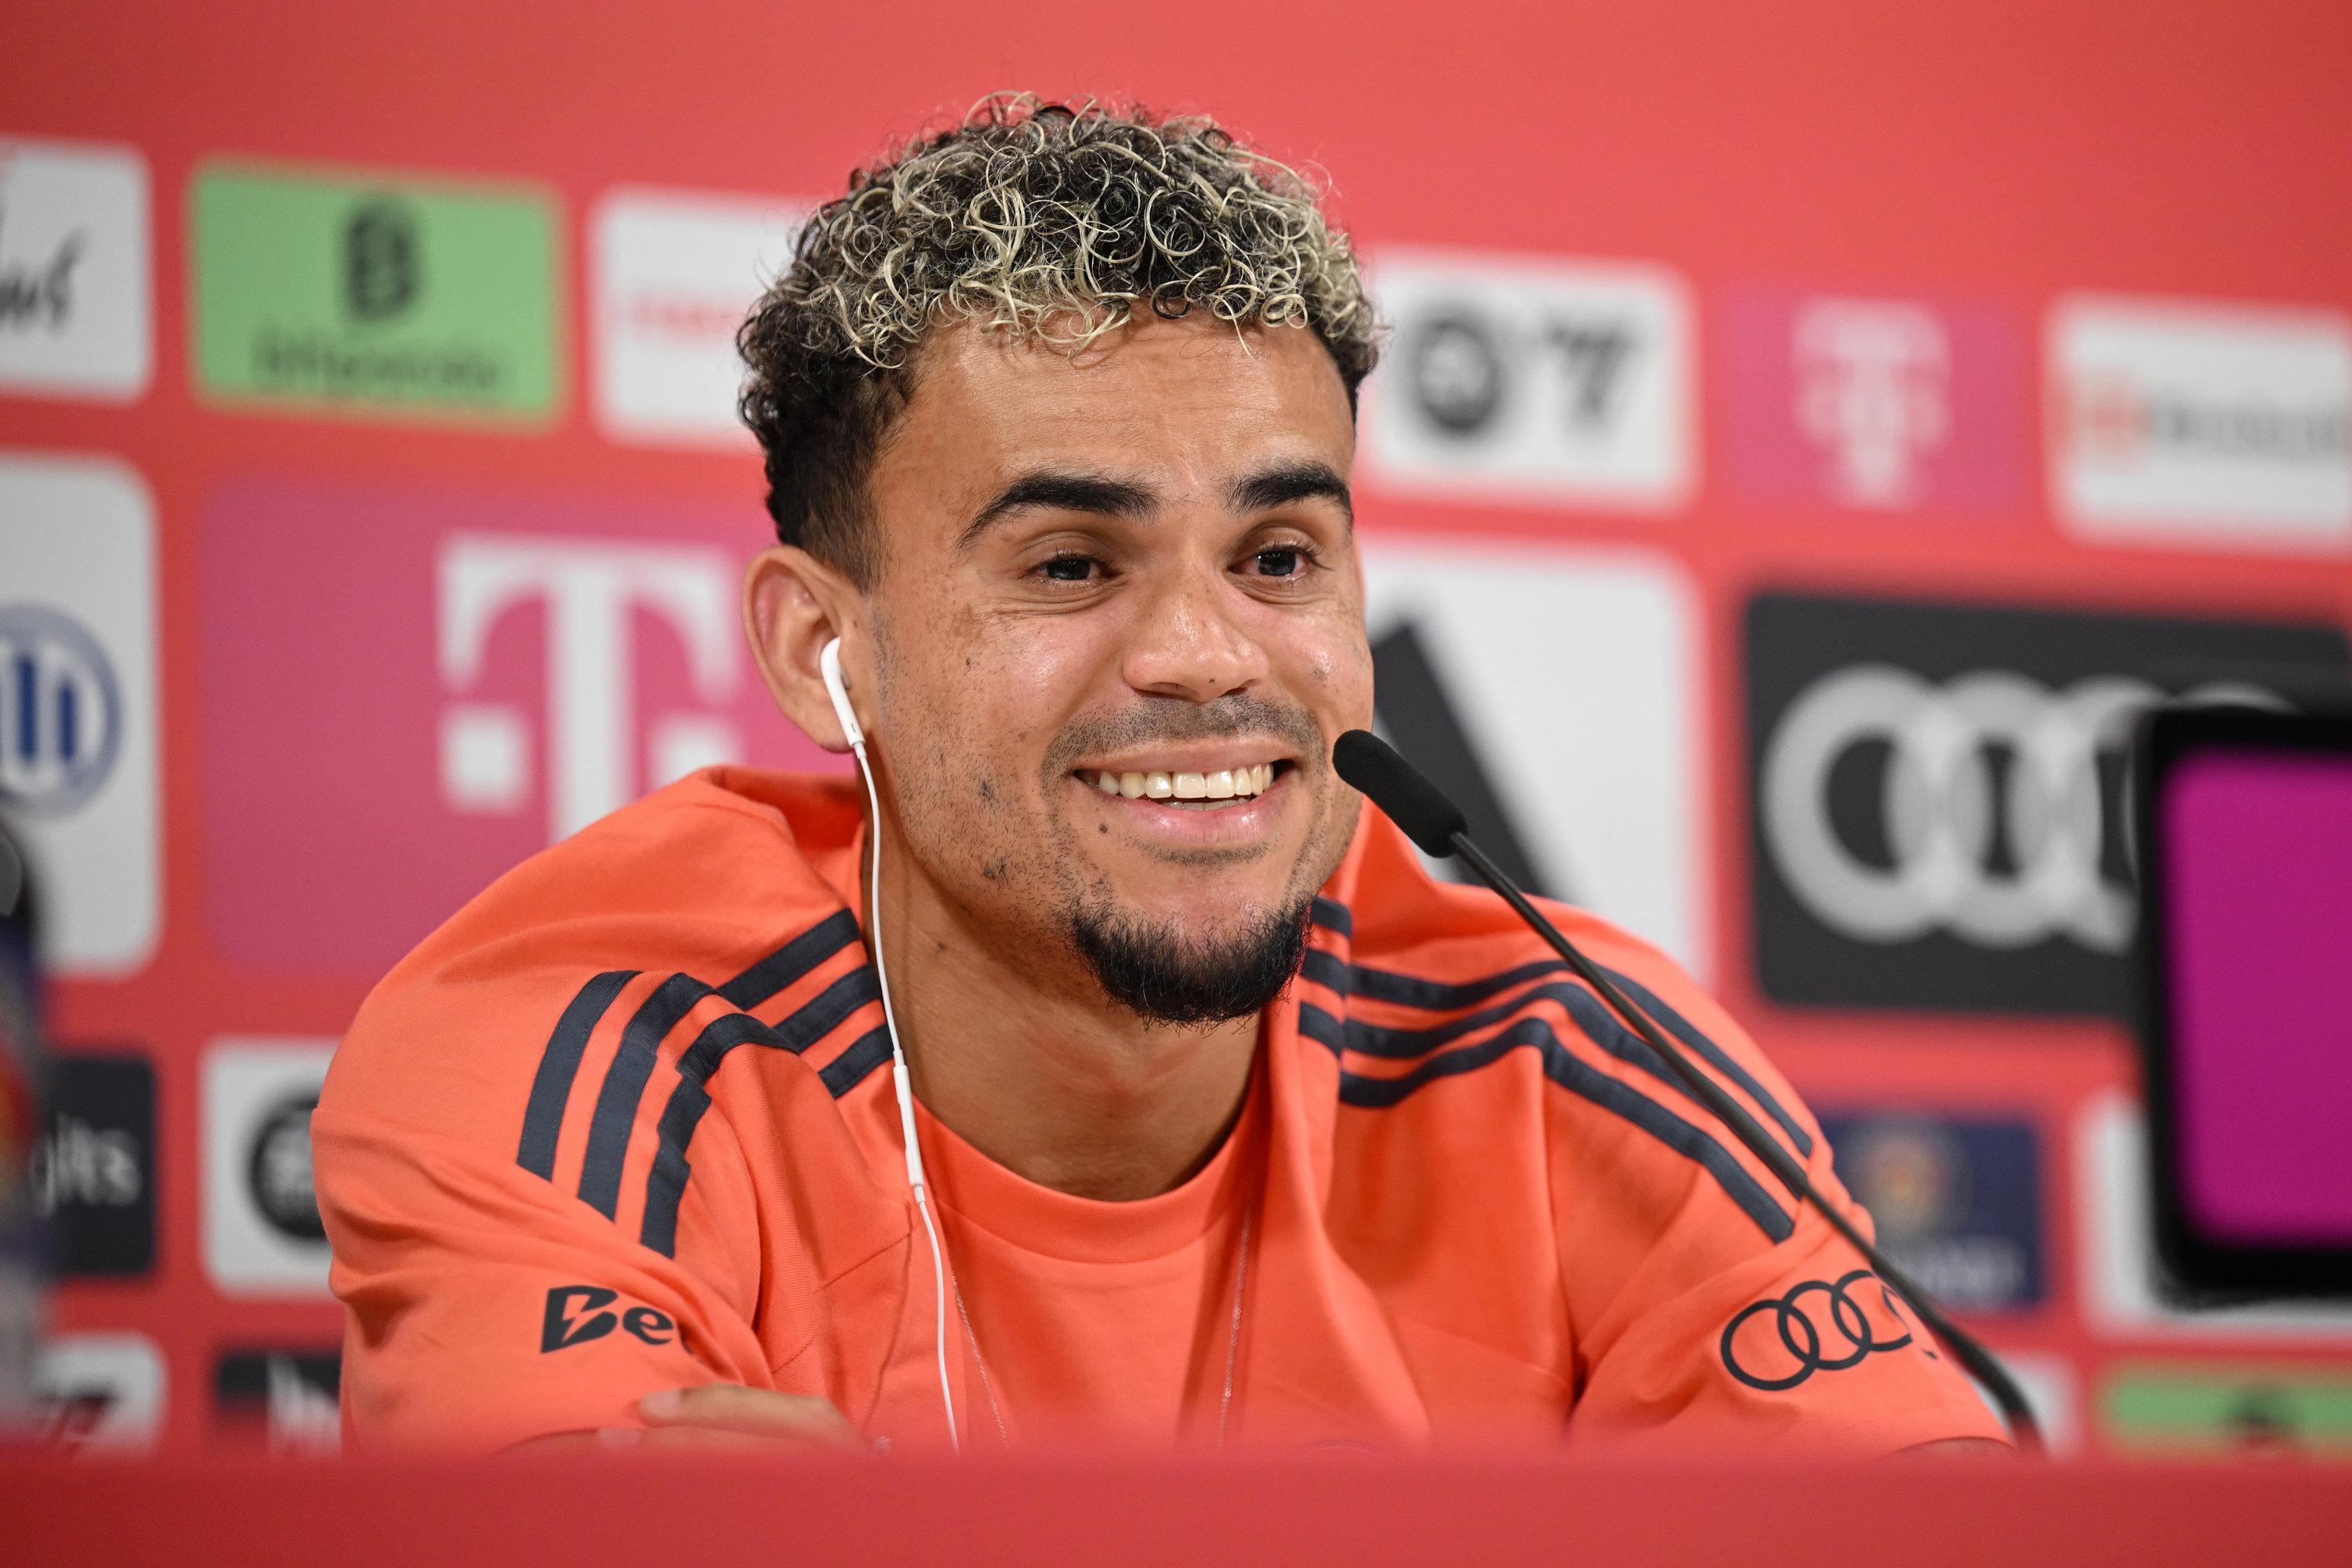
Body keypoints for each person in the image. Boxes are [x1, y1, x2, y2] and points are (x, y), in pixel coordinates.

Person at [315, 95, 2008, 1457]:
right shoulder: (580, 1051)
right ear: (823, 651)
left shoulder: (1575, 1056)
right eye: (1069, 565)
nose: (1207, 657)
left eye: (1279, 559)